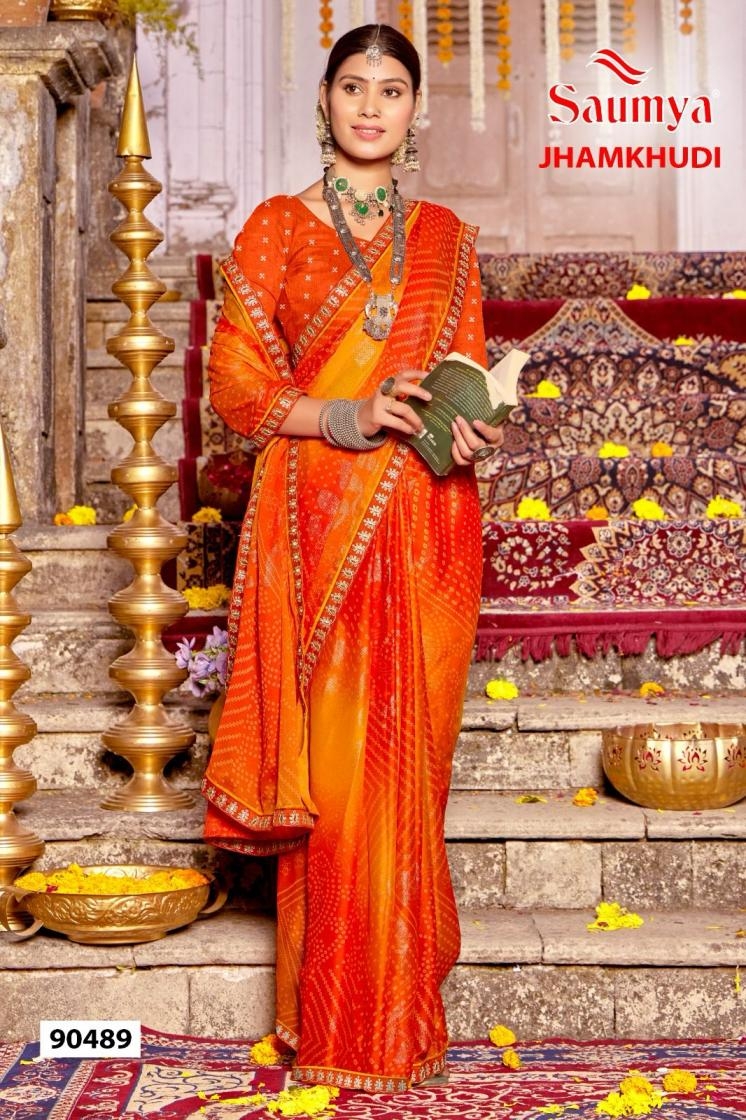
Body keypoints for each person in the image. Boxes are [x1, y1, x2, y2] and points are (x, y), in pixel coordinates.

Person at [201, 23, 504, 1092]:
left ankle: (400, 1019)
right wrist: (345, 413)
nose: (371, 106)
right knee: (338, 780)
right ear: (324, 101)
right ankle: (336, 1023)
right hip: (317, 527)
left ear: (415, 111)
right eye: (352, 86)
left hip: (421, 527)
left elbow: (464, 373)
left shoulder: (447, 239)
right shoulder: (277, 229)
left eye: (391, 89)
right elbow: (235, 386)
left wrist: (468, 430)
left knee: (403, 776)